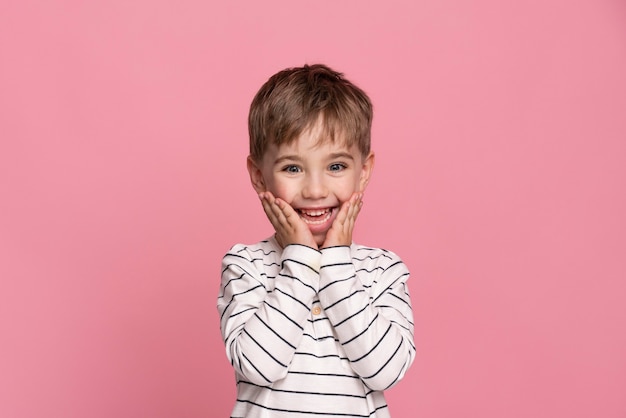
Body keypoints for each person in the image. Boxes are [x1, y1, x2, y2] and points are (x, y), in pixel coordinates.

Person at [217, 64, 415, 417]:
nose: (315, 190)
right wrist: (301, 259)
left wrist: (337, 261)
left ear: (363, 172)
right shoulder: (247, 265)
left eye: (336, 166)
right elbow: (259, 366)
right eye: (292, 168)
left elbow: (384, 370)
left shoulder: (383, 271)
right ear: (259, 176)